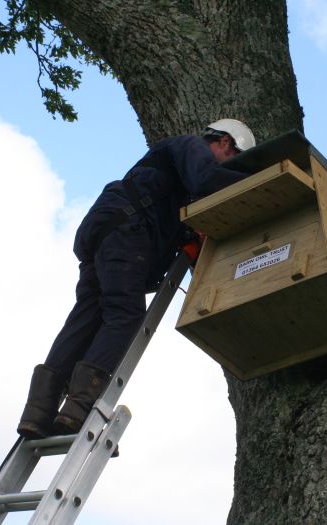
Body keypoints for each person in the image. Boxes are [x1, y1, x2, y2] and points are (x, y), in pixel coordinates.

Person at [16, 119, 256, 439]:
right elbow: (208, 180)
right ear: (225, 142)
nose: (228, 167)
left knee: (86, 319)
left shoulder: (174, 184)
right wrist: (257, 179)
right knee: (125, 315)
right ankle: (79, 406)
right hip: (125, 233)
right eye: (233, 159)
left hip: (105, 235)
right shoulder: (190, 147)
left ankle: (38, 411)